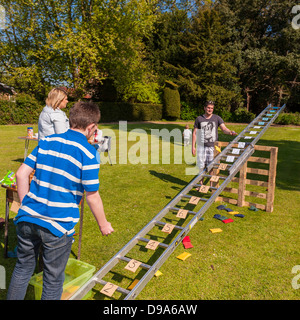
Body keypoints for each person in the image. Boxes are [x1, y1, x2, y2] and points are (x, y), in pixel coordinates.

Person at [7, 101, 114, 300]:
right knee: (53, 279)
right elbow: (92, 195)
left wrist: (25, 205)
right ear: (91, 127)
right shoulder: (89, 153)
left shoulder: (46, 141)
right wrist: (103, 224)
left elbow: (21, 175)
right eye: (96, 128)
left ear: (71, 120)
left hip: (27, 218)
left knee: (22, 269)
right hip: (57, 225)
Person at [192, 101, 237, 174]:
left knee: (211, 167)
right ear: (204, 108)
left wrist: (230, 132)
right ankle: (200, 185)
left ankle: (211, 184)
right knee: (201, 166)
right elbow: (194, 133)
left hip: (213, 147)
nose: (210, 110)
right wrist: (193, 147)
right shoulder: (199, 119)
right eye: (208, 108)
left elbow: (224, 129)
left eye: (211, 108)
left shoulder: (217, 118)